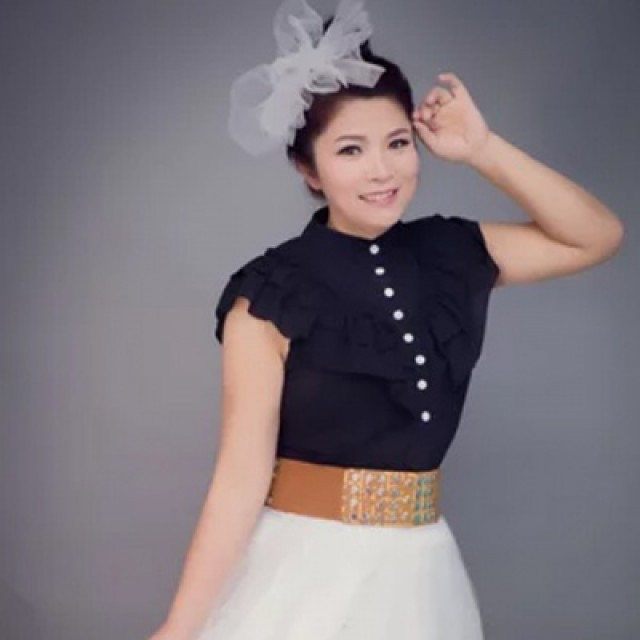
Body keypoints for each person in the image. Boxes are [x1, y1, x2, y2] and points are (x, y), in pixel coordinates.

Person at [147, 0, 624, 638]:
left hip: (422, 571)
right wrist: (177, 630)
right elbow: (239, 479)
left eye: (398, 143)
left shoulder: (451, 252)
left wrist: (483, 149)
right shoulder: (270, 293)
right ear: (308, 169)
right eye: (350, 150)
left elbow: (595, 235)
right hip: (306, 571)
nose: (382, 170)